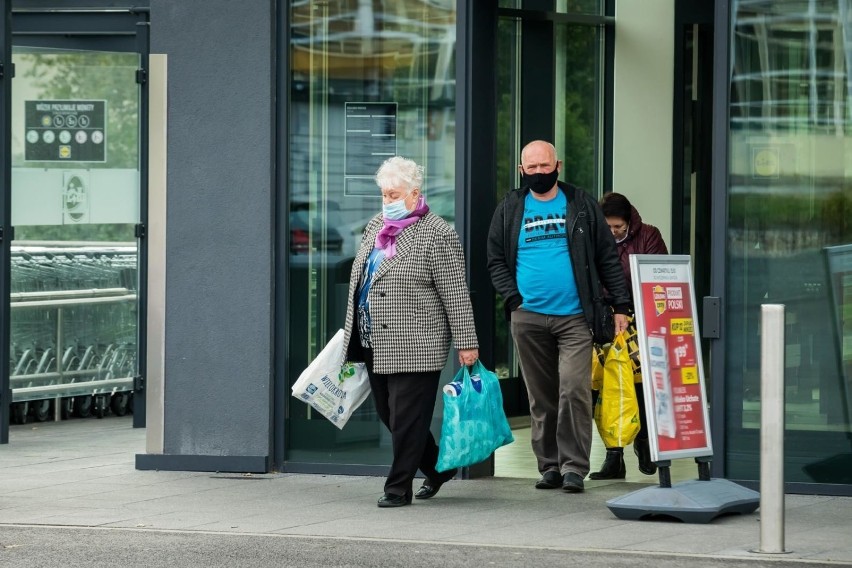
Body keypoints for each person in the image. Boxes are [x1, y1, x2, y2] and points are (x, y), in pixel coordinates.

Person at [486, 140, 630, 493]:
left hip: (576, 317)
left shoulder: (580, 204)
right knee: (542, 397)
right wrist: (515, 299)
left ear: (558, 165)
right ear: (522, 170)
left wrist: (621, 307)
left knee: (574, 390)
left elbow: (607, 258)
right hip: (529, 317)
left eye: (544, 166)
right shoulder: (510, 207)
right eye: (531, 168)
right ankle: (549, 466)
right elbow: (495, 259)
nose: (538, 172)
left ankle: (574, 468)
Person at [341, 156, 480, 508]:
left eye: (394, 194)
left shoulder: (438, 233)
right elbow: (364, 277)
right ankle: (437, 469)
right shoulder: (376, 226)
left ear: (414, 193)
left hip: (418, 341)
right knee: (392, 415)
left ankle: (397, 487)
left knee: (405, 419)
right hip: (375, 338)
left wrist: (467, 342)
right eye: (384, 195)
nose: (387, 201)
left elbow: (455, 292)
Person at [589, 191, 669, 479]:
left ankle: (645, 439)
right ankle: (614, 456)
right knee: (607, 388)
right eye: (608, 227)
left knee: (639, 384)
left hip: (641, 318)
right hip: (605, 322)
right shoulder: (594, 239)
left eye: (618, 228)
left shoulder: (648, 236)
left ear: (629, 222)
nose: (613, 232)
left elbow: (657, 276)